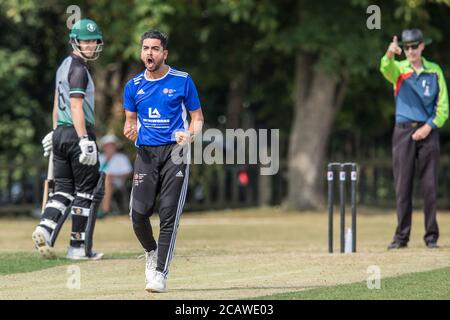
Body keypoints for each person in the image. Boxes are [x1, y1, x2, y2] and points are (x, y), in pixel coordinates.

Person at [122, 29, 204, 293]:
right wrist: (129, 129)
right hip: (146, 153)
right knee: (138, 214)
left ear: (164, 53)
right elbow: (130, 122)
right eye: (146, 48)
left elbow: (198, 118)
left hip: (175, 153)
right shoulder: (133, 86)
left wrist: (189, 135)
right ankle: (151, 251)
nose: (149, 53)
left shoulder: (182, 80)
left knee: (168, 214)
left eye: (155, 49)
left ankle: (160, 274)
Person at [31, 19, 105, 260]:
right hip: (77, 133)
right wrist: (84, 138)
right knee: (87, 190)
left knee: (63, 190)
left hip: (61, 133)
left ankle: (44, 227)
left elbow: (56, 103)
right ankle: (77, 247)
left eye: (94, 40)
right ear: (75, 41)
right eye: (87, 40)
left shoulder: (63, 66)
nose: (92, 45)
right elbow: (75, 105)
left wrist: (54, 133)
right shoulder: (79, 70)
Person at [380, 29, 449, 250]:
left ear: (422, 47)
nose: (410, 51)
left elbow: (443, 107)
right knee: (402, 187)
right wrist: (390, 54)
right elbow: (385, 68)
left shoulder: (435, 71)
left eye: (414, 46)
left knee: (429, 187)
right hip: (403, 132)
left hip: (428, 131)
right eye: (407, 47)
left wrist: (429, 127)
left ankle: (431, 237)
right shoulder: (399, 70)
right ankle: (401, 237)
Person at [98, 134, 133, 216]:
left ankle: (104, 211)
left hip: (117, 182)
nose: (109, 147)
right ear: (104, 147)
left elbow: (129, 172)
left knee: (107, 179)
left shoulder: (121, 157)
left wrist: (113, 175)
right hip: (99, 182)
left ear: (115, 146)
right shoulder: (100, 157)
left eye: (111, 145)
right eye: (107, 145)